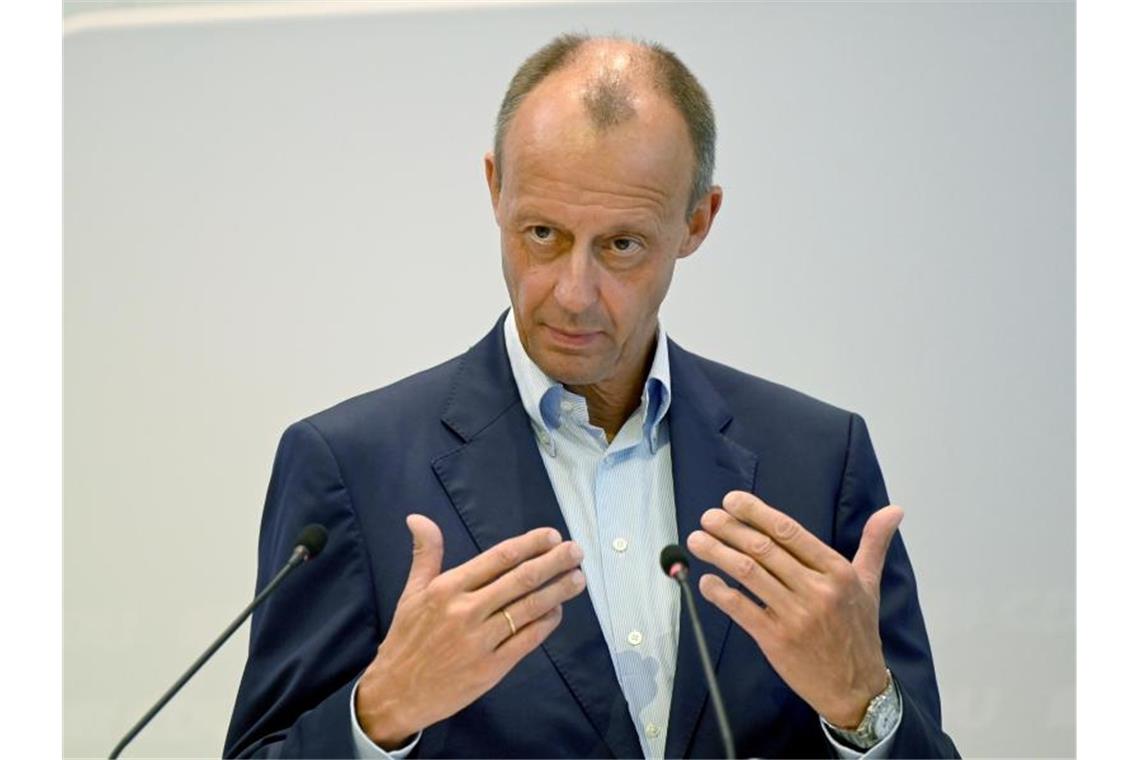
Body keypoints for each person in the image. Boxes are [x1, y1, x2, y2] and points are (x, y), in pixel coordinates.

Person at [224, 34, 959, 759]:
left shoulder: (819, 461)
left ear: (697, 222)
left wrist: (865, 706)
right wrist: (379, 714)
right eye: (542, 233)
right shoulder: (353, 467)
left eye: (622, 246)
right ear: (495, 190)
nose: (573, 294)